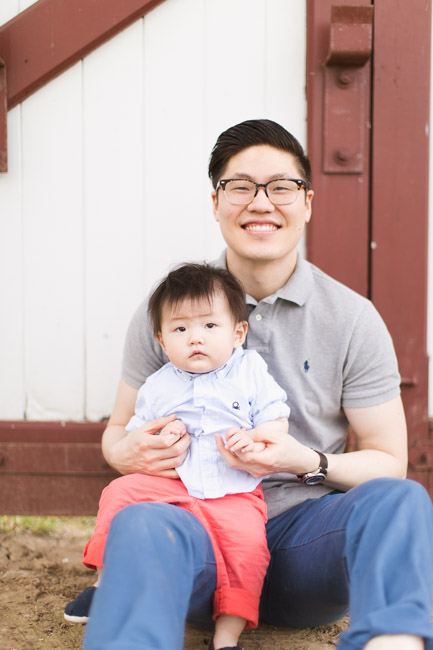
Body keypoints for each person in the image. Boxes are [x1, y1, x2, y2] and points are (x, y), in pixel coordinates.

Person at [81, 119, 433, 650]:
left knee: (400, 500)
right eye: (240, 186)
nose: (261, 202)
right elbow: (115, 437)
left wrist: (303, 461)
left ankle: (393, 642)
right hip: (195, 536)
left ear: (307, 202)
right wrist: (130, 449)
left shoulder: (353, 319)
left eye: (281, 187)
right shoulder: (170, 313)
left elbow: (389, 459)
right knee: (140, 526)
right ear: (216, 202)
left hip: (303, 548)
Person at [66, 262, 290, 650]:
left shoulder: (251, 370)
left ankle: (226, 637)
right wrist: (157, 438)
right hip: (171, 484)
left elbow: (276, 418)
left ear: (238, 333)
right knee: (120, 493)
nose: (195, 338)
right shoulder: (158, 384)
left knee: (249, 551)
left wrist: (256, 438)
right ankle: (105, 582)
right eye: (180, 328)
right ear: (162, 340)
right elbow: (140, 432)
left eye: (209, 326)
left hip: (233, 491)